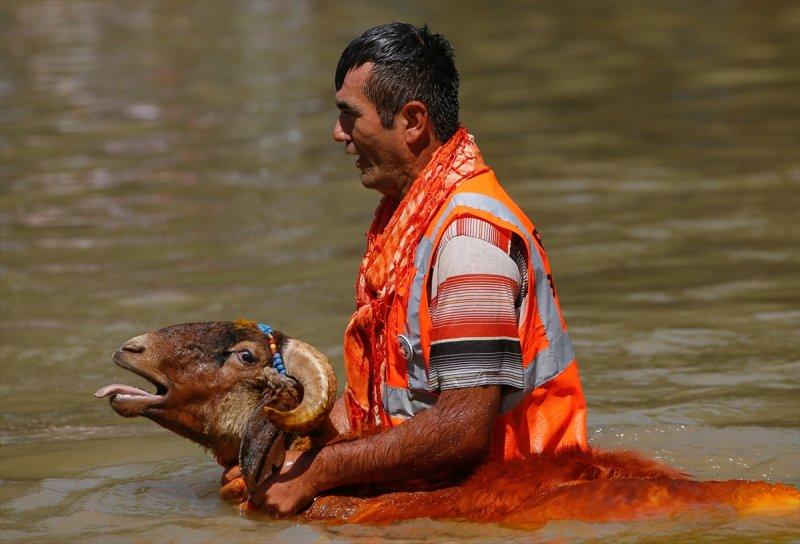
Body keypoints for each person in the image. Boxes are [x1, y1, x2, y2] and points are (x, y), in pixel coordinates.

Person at [221, 22, 587, 516]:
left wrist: (317, 472)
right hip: (462, 495)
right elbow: (393, 407)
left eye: (350, 115)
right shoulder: (411, 220)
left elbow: (462, 431)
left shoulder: (467, 242)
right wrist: (288, 448)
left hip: (519, 507)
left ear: (413, 121)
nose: (338, 134)